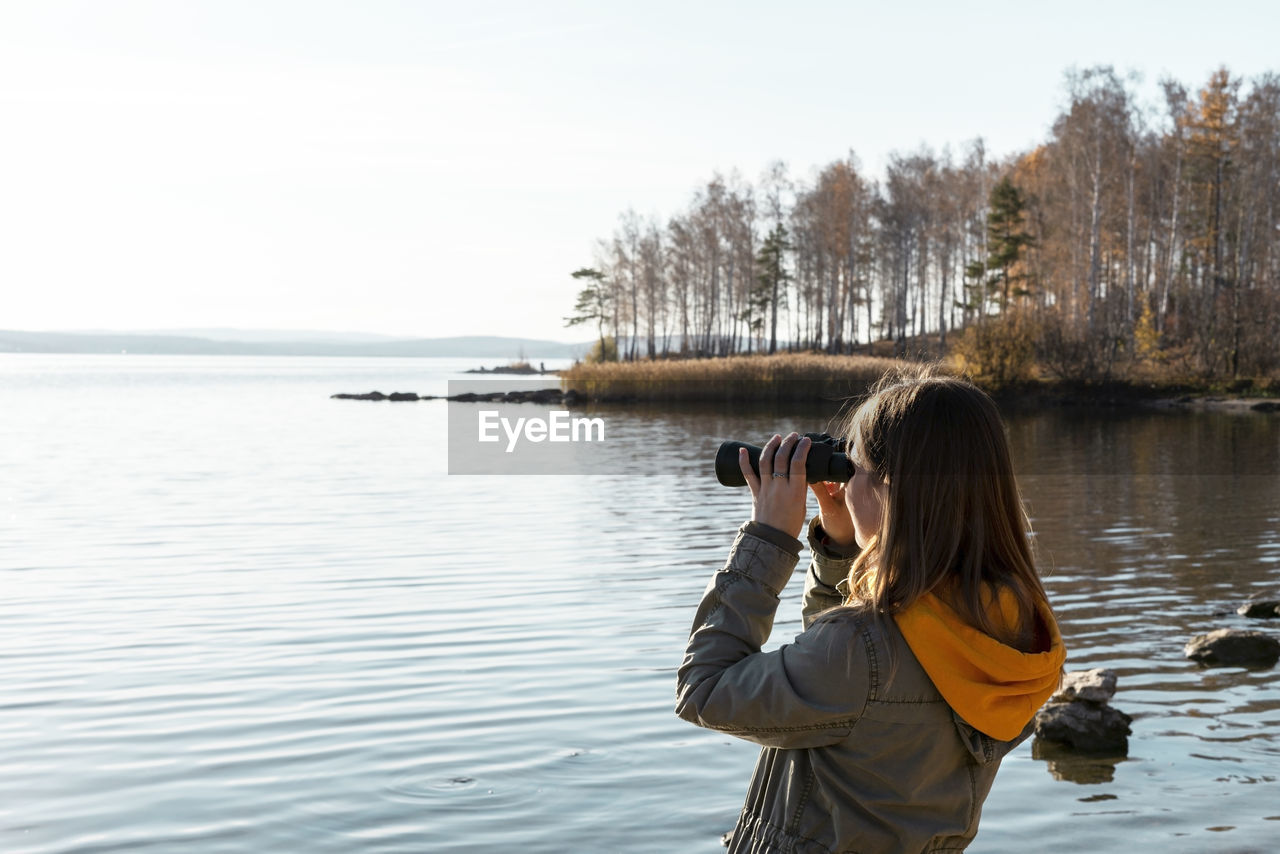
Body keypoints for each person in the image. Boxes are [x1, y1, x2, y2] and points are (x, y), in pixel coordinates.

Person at [675, 368, 1066, 853]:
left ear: (889, 488)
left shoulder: (859, 649)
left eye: (851, 467)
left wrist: (768, 540)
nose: (845, 482)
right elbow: (841, 676)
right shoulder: (1009, 626)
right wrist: (840, 548)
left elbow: (704, 691)